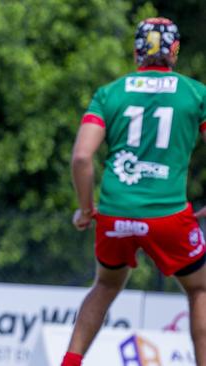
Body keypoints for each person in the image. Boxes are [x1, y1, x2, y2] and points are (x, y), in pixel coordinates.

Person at [62, 18, 206, 366]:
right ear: (175, 50)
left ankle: (70, 362)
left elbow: (82, 157)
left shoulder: (110, 93)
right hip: (169, 216)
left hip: (114, 213)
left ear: (136, 51)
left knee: (107, 286)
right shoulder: (196, 93)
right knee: (200, 289)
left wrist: (85, 209)